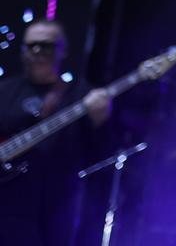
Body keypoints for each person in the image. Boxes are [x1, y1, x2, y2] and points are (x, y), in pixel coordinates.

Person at [0, 19, 112, 246]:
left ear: (63, 50)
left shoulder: (80, 94)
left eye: (46, 45)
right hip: (6, 202)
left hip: (54, 207)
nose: (37, 51)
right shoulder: (4, 91)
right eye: (31, 46)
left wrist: (101, 120)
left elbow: (100, 152)